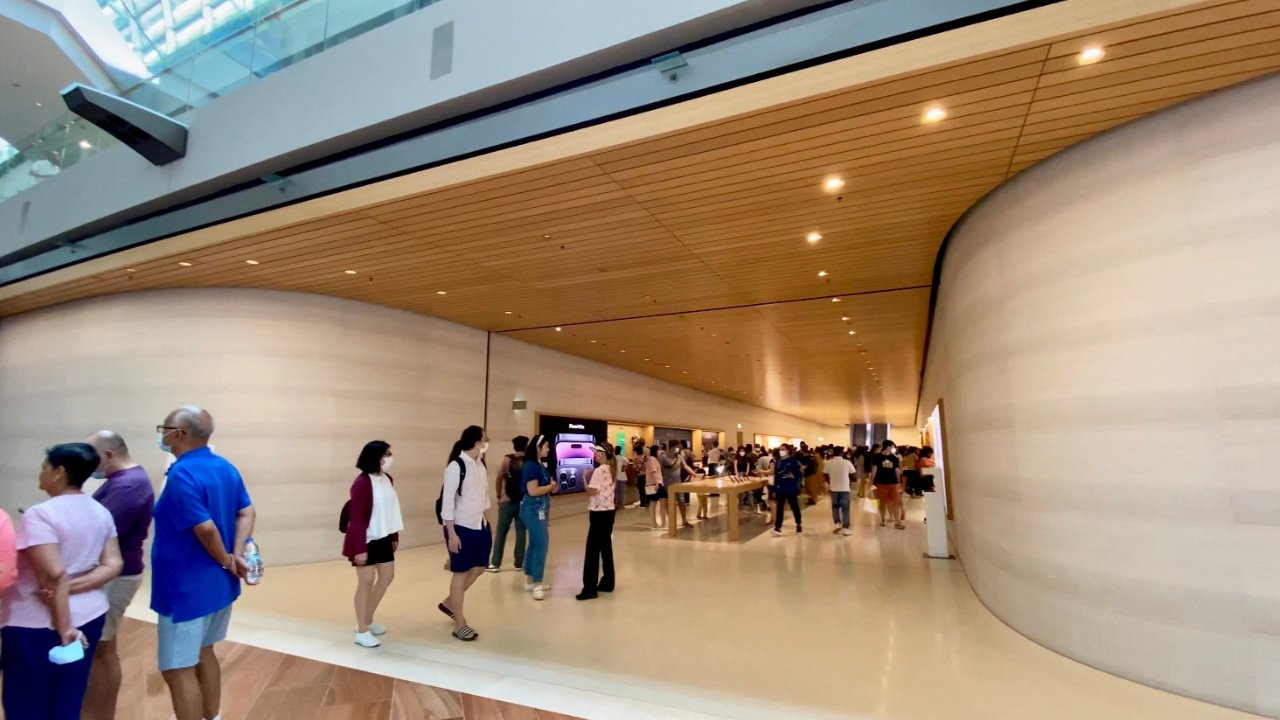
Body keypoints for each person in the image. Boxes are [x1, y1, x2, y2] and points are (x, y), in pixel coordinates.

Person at [2, 443, 123, 720]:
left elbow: (55, 575)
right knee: (67, 696)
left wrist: (64, 624)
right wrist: (73, 589)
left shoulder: (40, 514)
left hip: (38, 624)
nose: (40, 473)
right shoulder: (100, 511)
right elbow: (113, 564)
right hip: (90, 614)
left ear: (59, 472)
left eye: (44, 467)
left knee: (27, 703)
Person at [152, 406, 256, 720]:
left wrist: (226, 559)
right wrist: (235, 555)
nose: (161, 433)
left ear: (179, 433)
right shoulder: (225, 467)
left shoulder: (182, 472)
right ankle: (212, 716)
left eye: (164, 427)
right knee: (204, 652)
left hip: (185, 588)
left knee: (176, 668)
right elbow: (247, 511)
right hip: (218, 586)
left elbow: (205, 527)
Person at [84, 431, 154, 720]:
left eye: (93, 457)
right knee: (104, 646)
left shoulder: (129, 485)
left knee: (101, 649)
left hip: (117, 575)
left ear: (109, 454)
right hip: (115, 572)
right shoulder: (123, 482)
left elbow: (101, 532)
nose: (89, 465)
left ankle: (98, 714)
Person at [342, 441, 402, 648]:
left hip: (383, 536)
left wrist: (394, 537)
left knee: (387, 576)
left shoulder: (387, 479)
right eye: (386, 454)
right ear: (374, 457)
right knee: (365, 581)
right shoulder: (362, 483)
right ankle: (361, 629)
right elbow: (357, 518)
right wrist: (360, 549)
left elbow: (391, 510)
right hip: (365, 539)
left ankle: (367, 618)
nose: (389, 457)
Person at [439, 426, 492, 640]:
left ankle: (450, 602)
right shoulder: (456, 466)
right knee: (460, 573)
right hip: (460, 527)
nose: (486, 443)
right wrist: (451, 533)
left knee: (479, 567)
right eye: (484, 440)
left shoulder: (480, 465)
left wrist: (489, 525)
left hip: (480, 524)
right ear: (476, 442)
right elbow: (447, 503)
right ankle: (459, 622)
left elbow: (484, 498)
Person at [519, 435, 559, 600]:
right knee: (541, 544)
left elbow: (545, 486)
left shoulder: (539, 465)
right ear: (538, 447)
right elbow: (533, 491)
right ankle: (537, 582)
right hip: (532, 509)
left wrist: (552, 487)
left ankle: (530, 579)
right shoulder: (531, 466)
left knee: (535, 543)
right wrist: (549, 487)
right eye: (546, 446)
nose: (548, 449)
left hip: (539, 508)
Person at [577, 444, 617, 601]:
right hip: (609, 512)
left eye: (599, 452)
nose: (596, 455)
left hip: (598, 514)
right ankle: (608, 581)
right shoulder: (611, 470)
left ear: (605, 454)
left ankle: (589, 588)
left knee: (592, 551)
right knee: (606, 548)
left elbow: (590, 491)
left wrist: (584, 477)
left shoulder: (599, 471)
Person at [488, 436, 528, 574]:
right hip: (523, 501)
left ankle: (495, 563)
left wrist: (499, 495)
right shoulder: (529, 461)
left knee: (501, 532)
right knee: (521, 532)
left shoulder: (507, 459)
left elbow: (499, 478)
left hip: (507, 500)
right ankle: (519, 562)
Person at [771, 445, 804, 536]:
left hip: (790, 488)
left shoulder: (793, 461)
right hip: (780, 488)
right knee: (780, 508)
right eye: (780, 450)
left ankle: (798, 524)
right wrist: (774, 489)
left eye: (783, 449)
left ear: (788, 451)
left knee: (794, 507)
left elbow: (798, 474)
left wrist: (793, 476)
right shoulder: (778, 462)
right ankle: (778, 527)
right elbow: (776, 476)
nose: (781, 451)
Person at [823, 448, 855, 536]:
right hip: (844, 488)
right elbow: (853, 473)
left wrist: (829, 482)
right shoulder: (847, 462)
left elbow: (825, 474)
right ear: (841, 453)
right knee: (845, 508)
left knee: (835, 507)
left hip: (833, 488)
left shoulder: (828, 462)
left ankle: (837, 524)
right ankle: (846, 528)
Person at [873, 440, 904, 529]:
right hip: (880, 483)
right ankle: (883, 519)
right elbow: (874, 469)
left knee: (895, 502)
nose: (893, 449)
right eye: (892, 447)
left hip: (893, 483)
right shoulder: (877, 457)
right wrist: (871, 481)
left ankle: (897, 520)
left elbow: (897, 470)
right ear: (888, 447)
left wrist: (899, 482)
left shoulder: (894, 458)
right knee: (882, 502)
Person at [643, 445, 666, 529]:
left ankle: (657, 523)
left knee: (654, 503)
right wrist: (657, 483)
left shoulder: (651, 459)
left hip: (653, 483)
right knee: (659, 503)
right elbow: (653, 472)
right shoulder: (652, 459)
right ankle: (660, 523)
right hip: (656, 483)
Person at [613, 445, 628, 509]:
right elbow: (627, 462)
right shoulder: (622, 457)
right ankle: (620, 504)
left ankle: (616, 503)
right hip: (622, 476)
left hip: (615, 476)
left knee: (615, 491)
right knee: (621, 491)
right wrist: (624, 468)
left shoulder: (613, 458)